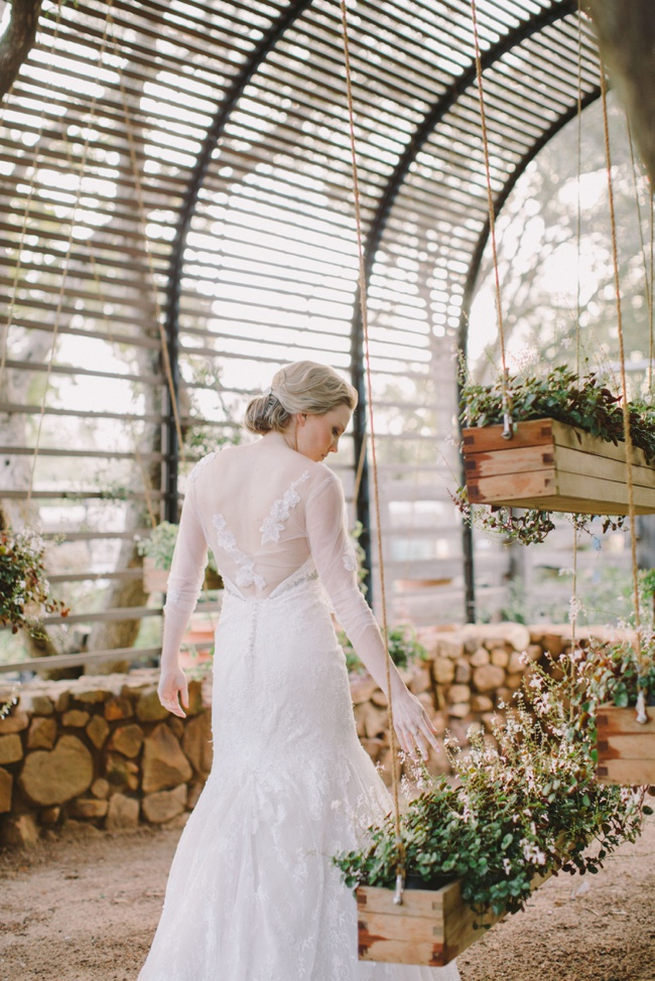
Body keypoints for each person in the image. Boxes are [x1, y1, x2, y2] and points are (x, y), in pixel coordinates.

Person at [139, 361, 460, 980]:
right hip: (298, 652)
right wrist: (398, 694)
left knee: (245, 783)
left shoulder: (208, 472)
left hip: (237, 656)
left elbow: (182, 584)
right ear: (302, 415)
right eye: (334, 429)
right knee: (320, 785)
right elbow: (346, 598)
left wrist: (169, 662)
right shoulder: (315, 485)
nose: (336, 445)